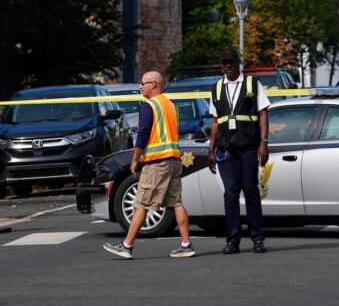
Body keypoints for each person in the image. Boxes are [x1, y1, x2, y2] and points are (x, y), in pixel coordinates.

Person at [103, 71, 195, 259]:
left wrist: (135, 159)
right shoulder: (170, 105)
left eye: (143, 83)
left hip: (156, 162)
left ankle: (126, 246)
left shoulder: (148, 106)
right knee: (176, 203)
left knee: (141, 204)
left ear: (153, 84)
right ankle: (186, 245)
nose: (140, 87)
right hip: (174, 160)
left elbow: (143, 134)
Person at [208, 48, 270, 254]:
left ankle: (257, 238)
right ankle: (233, 240)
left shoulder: (252, 84)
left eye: (231, 62)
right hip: (226, 150)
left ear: (237, 63)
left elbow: (262, 114)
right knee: (230, 194)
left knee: (251, 192)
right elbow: (216, 121)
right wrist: (211, 149)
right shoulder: (216, 88)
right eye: (224, 63)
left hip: (248, 147)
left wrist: (264, 142)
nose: (228, 66)